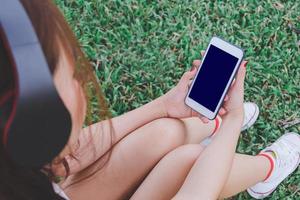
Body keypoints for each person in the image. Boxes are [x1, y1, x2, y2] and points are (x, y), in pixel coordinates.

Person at [0, 0, 299, 199]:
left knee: (164, 133)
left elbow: (69, 158)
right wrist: (233, 121)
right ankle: (265, 170)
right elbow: (196, 195)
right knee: (190, 162)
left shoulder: (13, 172)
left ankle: (210, 126)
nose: (81, 85)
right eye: (74, 76)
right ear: (34, 120)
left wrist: (163, 106)